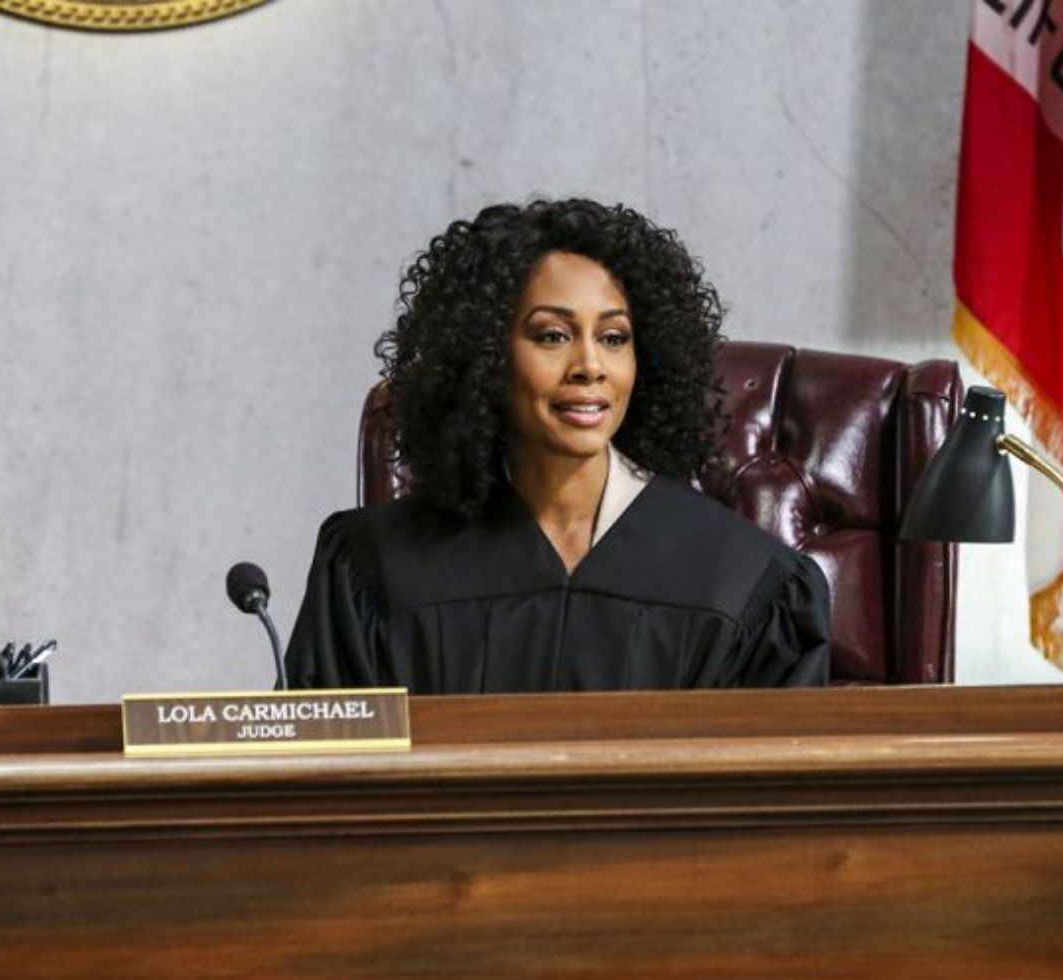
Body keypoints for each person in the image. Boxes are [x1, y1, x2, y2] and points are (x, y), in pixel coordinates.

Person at [284, 198, 831, 694]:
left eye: (614, 338)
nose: (590, 366)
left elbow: (777, 798)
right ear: (486, 357)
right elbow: (319, 785)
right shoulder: (374, 567)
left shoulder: (747, 581)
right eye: (552, 335)